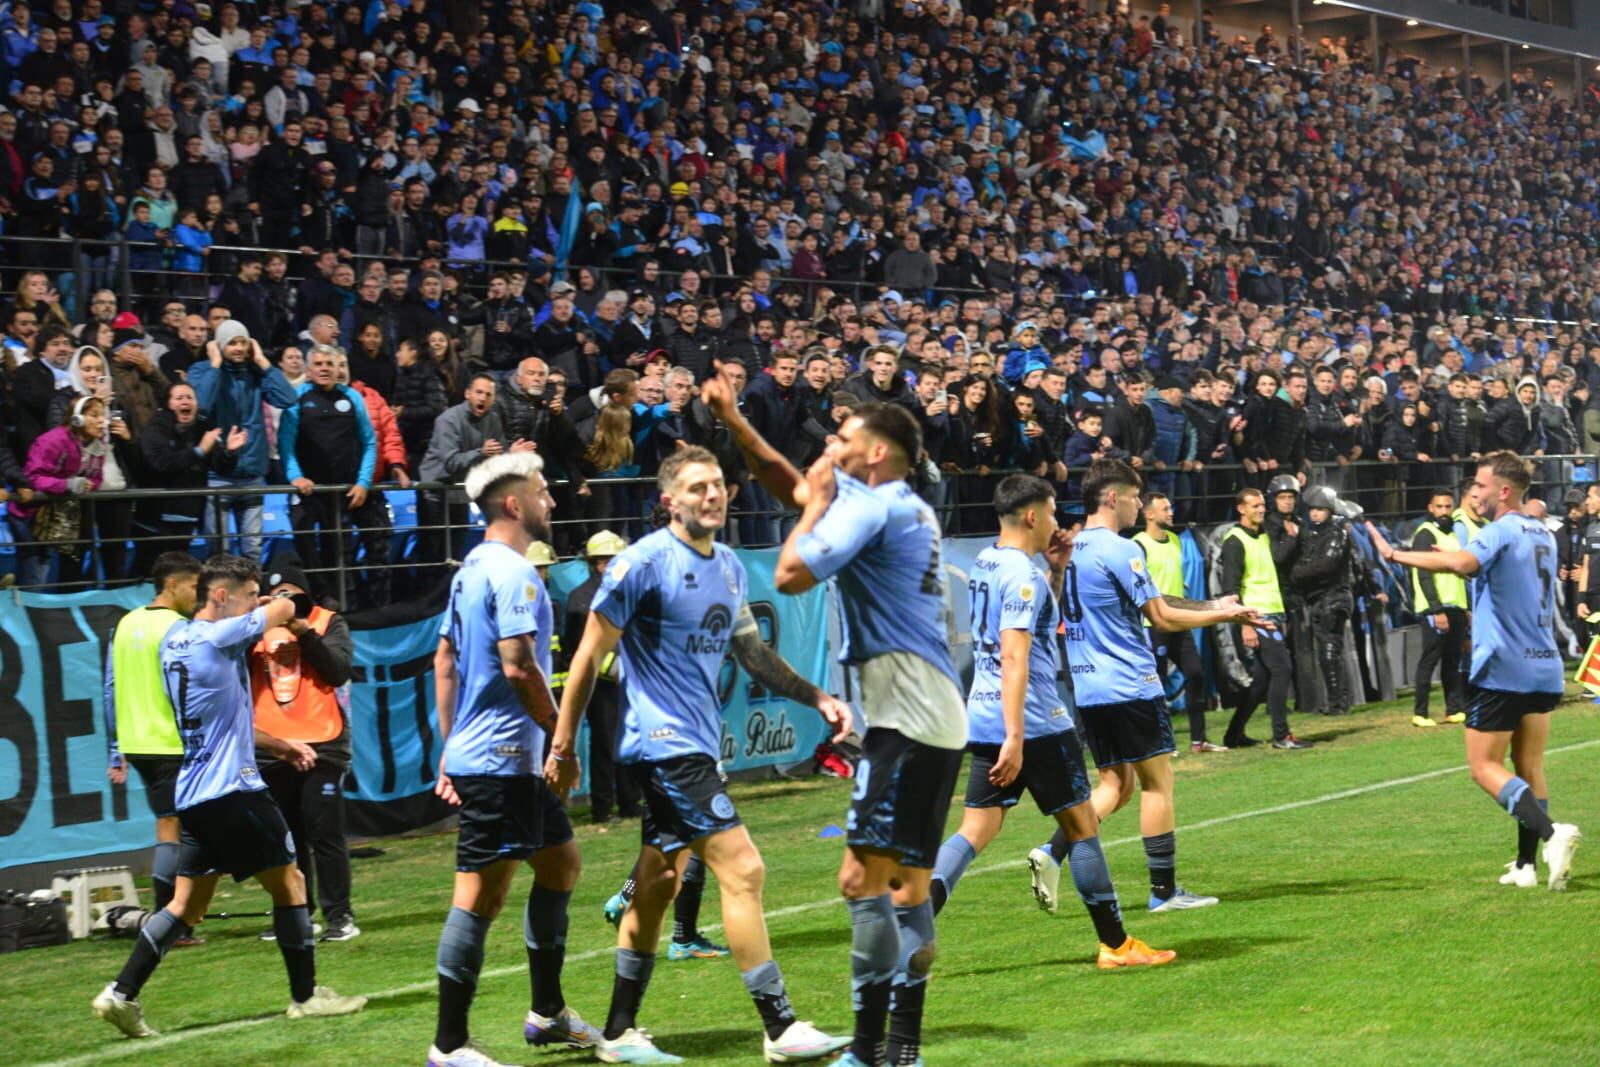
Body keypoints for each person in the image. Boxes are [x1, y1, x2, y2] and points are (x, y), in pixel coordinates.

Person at [546, 445, 852, 1065]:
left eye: (717, 485)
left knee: (656, 883)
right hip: (664, 747)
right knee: (743, 870)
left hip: (695, 746)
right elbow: (585, 657)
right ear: (668, 500)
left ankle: (618, 1032)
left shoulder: (732, 567)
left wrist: (816, 696)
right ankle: (781, 1027)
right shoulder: (642, 564)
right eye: (695, 488)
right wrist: (562, 744)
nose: (711, 495)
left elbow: (752, 654)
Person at [707, 382, 965, 1067]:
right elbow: (789, 482)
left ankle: (869, 1051)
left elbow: (790, 571)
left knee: (860, 882)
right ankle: (899, 1048)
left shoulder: (873, 509)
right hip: (928, 712)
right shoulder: (891, 501)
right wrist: (735, 421)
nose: (830, 445)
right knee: (905, 892)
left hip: (906, 718)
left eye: (843, 438)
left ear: (876, 452)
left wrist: (819, 500)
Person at [92, 555, 366, 1040]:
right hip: (234, 790)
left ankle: (120, 993)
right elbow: (281, 613)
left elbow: (227, 715)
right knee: (292, 883)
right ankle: (306, 998)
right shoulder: (216, 637)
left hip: (194, 791)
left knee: (184, 907)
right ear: (222, 596)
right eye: (244, 595)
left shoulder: (173, 639)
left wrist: (282, 744)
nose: (249, 606)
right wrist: (273, 602)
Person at [929, 474, 1175, 970]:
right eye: (1054, 511)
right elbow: (1016, 654)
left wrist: (1057, 569)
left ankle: (910, 920)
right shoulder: (1021, 574)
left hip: (982, 715)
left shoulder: (985, 561)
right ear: (1032, 516)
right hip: (1034, 721)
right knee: (1082, 827)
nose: (1060, 522)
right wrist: (1017, 739)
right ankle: (1117, 946)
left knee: (975, 828)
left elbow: (1031, 628)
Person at [425, 453, 602, 1067]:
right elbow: (519, 664)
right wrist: (561, 740)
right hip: (503, 761)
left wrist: (450, 748)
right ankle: (448, 1045)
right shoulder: (516, 572)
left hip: (495, 759)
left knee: (562, 866)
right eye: (543, 491)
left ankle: (547, 1013)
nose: (551, 500)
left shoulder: (469, 568)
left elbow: (444, 662)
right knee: (479, 898)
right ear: (513, 504)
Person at [1035, 459, 1264, 918]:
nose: (1140, 505)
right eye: (1135, 497)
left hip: (1090, 688)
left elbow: (1151, 601)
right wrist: (1225, 616)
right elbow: (1159, 617)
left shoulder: (1073, 547)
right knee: (1158, 784)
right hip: (1130, 685)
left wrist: (1211, 603)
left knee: (1115, 785)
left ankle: (1051, 851)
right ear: (1112, 498)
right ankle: (1164, 890)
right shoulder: (1122, 549)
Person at [1367, 452, 1582, 892]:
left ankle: (1550, 833)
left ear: (1503, 490)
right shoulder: (1540, 530)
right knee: (1529, 765)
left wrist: (1394, 554)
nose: (1474, 495)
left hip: (1504, 664)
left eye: (1480, 487)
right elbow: (1493, 572)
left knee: (1483, 767)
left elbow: (1463, 565)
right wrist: (1455, 552)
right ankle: (1525, 866)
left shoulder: (1500, 530)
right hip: (1545, 665)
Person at [251, 553, 360, 943]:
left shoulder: (328, 622)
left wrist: (302, 631)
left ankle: (340, 915)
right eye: (276, 594)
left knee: (323, 832)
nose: (285, 602)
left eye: (292, 595)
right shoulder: (254, 630)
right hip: (274, 746)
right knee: (285, 838)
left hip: (323, 742)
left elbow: (338, 670)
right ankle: (296, 913)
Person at [103, 552, 203, 935]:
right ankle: (169, 920)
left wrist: (117, 746)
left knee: (172, 823)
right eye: (194, 586)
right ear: (172, 585)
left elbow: (110, 688)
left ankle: (176, 916)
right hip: (170, 743)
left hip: (137, 743)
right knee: (175, 826)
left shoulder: (125, 624)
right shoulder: (179, 628)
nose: (198, 595)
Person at [280, 344, 386, 608]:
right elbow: (286, 444)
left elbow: (370, 442)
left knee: (337, 547)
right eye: (318, 364)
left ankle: (341, 603)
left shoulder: (352, 397)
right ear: (308, 368)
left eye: (329, 364)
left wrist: (363, 482)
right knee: (304, 536)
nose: (324, 369)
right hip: (309, 489)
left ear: (338, 368)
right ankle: (319, 594)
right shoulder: (297, 398)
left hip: (343, 490)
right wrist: (296, 477)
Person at [1219, 488, 1312, 749]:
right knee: (1281, 669)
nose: (1260, 510)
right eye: (1254, 506)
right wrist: (1247, 625)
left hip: (1271, 615)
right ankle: (1281, 736)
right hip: (1256, 618)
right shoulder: (1235, 540)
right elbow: (1231, 589)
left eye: (1262, 505)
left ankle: (1233, 735)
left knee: (1261, 681)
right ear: (1241, 509)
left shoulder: (1262, 537)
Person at [1132, 492, 1221, 753]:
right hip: (1154, 626)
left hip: (1178, 622)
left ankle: (1198, 740)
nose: (1171, 512)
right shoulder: (1138, 544)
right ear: (1148, 514)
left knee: (1195, 674)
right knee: (1155, 685)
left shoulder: (1174, 540)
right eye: (1165, 509)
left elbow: (1168, 575)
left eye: (1171, 507)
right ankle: (1161, 743)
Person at [561, 530, 639, 827]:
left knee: (624, 741)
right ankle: (605, 807)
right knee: (605, 743)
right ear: (595, 563)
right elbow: (575, 647)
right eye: (605, 560)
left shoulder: (627, 591)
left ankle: (628, 804)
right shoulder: (581, 598)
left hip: (624, 679)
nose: (609, 565)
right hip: (601, 684)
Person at [1288, 485, 1385, 718]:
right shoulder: (1319, 534)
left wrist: (1296, 573)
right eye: (1312, 509)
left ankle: (1337, 703)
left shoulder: (1335, 533)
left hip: (1333, 597)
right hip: (1325, 598)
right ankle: (1337, 701)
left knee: (1329, 650)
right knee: (1329, 650)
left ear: (1329, 510)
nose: (1315, 514)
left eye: (1320, 509)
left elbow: (1326, 565)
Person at [1407, 488, 1470, 728]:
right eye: (1439, 507)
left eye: (1447, 506)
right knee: (1430, 659)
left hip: (1455, 605)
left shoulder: (1452, 535)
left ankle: (1453, 709)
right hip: (1437, 608)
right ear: (1430, 508)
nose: (1444, 511)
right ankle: (1420, 712)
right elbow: (1423, 573)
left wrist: (1465, 608)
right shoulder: (1426, 533)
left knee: (1452, 660)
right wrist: (1435, 609)